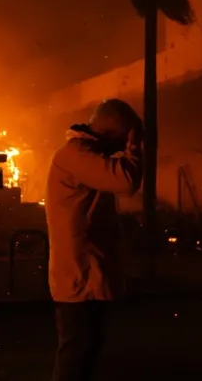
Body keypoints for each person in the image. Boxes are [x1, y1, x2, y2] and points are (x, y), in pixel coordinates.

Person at [45, 98, 144, 381]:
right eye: (123, 138)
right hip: (78, 276)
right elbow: (125, 181)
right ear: (111, 133)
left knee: (86, 351)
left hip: (86, 274)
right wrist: (135, 148)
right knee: (75, 356)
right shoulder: (76, 154)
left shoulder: (86, 154)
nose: (123, 146)